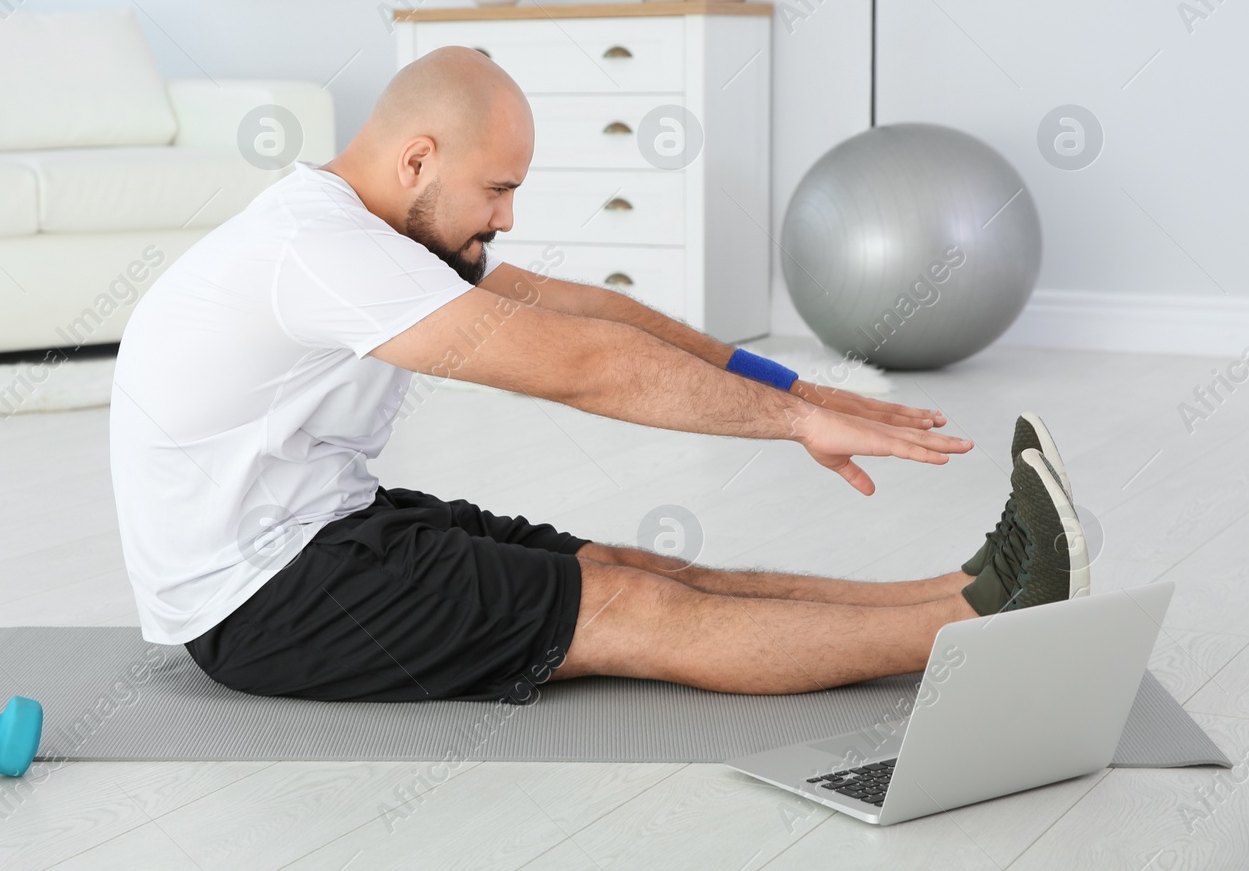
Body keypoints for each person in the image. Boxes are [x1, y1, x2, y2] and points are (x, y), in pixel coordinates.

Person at [109, 47, 1088, 705]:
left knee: (632, 569)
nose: (504, 220)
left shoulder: (383, 229)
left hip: (328, 527)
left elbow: (584, 310)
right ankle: (980, 630)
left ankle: (958, 588)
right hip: (257, 599)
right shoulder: (321, 251)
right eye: (497, 190)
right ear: (417, 160)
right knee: (634, 615)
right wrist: (790, 428)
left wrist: (791, 389)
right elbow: (584, 368)